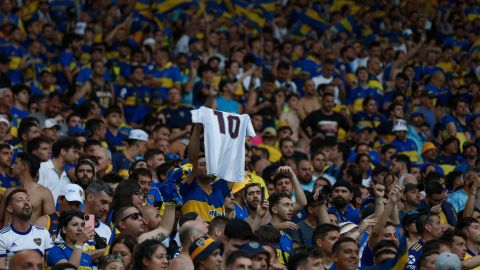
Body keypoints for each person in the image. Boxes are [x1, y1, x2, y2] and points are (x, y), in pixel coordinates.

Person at [0, 188, 54, 269]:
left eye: (28, 200)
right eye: (20, 200)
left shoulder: (43, 232)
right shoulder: (2, 236)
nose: (26, 203)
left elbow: (54, 262)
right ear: (10, 208)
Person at [1, 152, 55, 225]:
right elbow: (1, 220)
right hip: (7, 236)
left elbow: (52, 222)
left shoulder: (44, 192)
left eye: (16, 163)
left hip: (33, 235)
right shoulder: (8, 192)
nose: (12, 166)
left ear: (24, 167)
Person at [38, 137, 81, 204]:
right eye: (74, 152)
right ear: (63, 151)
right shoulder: (41, 168)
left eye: (78, 154)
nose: (77, 156)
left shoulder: (67, 180)